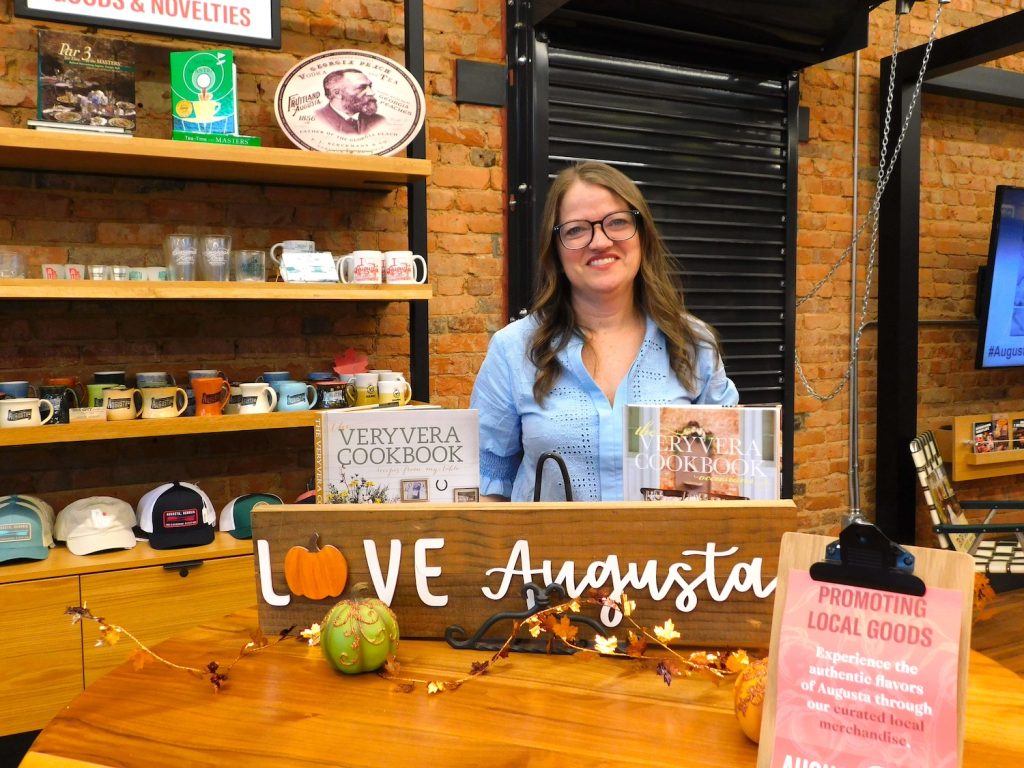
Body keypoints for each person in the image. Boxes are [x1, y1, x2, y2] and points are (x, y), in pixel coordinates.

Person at [470, 161, 739, 502]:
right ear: (555, 248)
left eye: (617, 222)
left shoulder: (693, 344)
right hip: (547, 555)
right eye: (576, 230)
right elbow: (488, 485)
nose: (599, 241)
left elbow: (730, 483)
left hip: (670, 555)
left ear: (643, 235)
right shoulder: (514, 349)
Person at [316, 69, 385, 134]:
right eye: (361, 88)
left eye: (370, 86)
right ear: (337, 93)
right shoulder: (317, 120)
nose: (371, 93)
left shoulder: (379, 120)